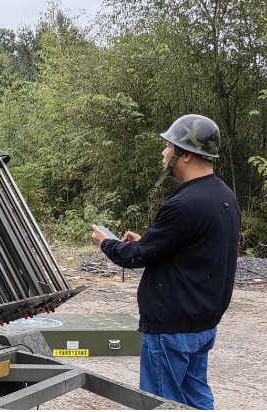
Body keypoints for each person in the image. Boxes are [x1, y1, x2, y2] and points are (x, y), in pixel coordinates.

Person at [91, 114, 241, 410]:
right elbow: (190, 248)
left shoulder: (184, 203)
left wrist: (106, 243)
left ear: (185, 155)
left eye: (169, 146)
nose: (164, 152)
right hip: (202, 324)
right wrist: (146, 241)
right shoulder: (224, 195)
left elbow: (134, 257)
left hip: (172, 329)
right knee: (196, 397)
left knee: (161, 403)